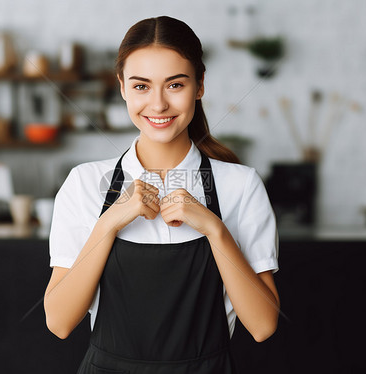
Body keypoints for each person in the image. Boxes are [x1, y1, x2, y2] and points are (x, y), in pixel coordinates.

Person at [44, 15, 280, 374]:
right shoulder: (85, 184)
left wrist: (214, 229)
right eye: (141, 86)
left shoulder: (241, 186)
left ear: (200, 86)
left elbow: (263, 326)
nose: (157, 105)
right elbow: (59, 322)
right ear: (122, 87)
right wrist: (109, 223)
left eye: (174, 85)